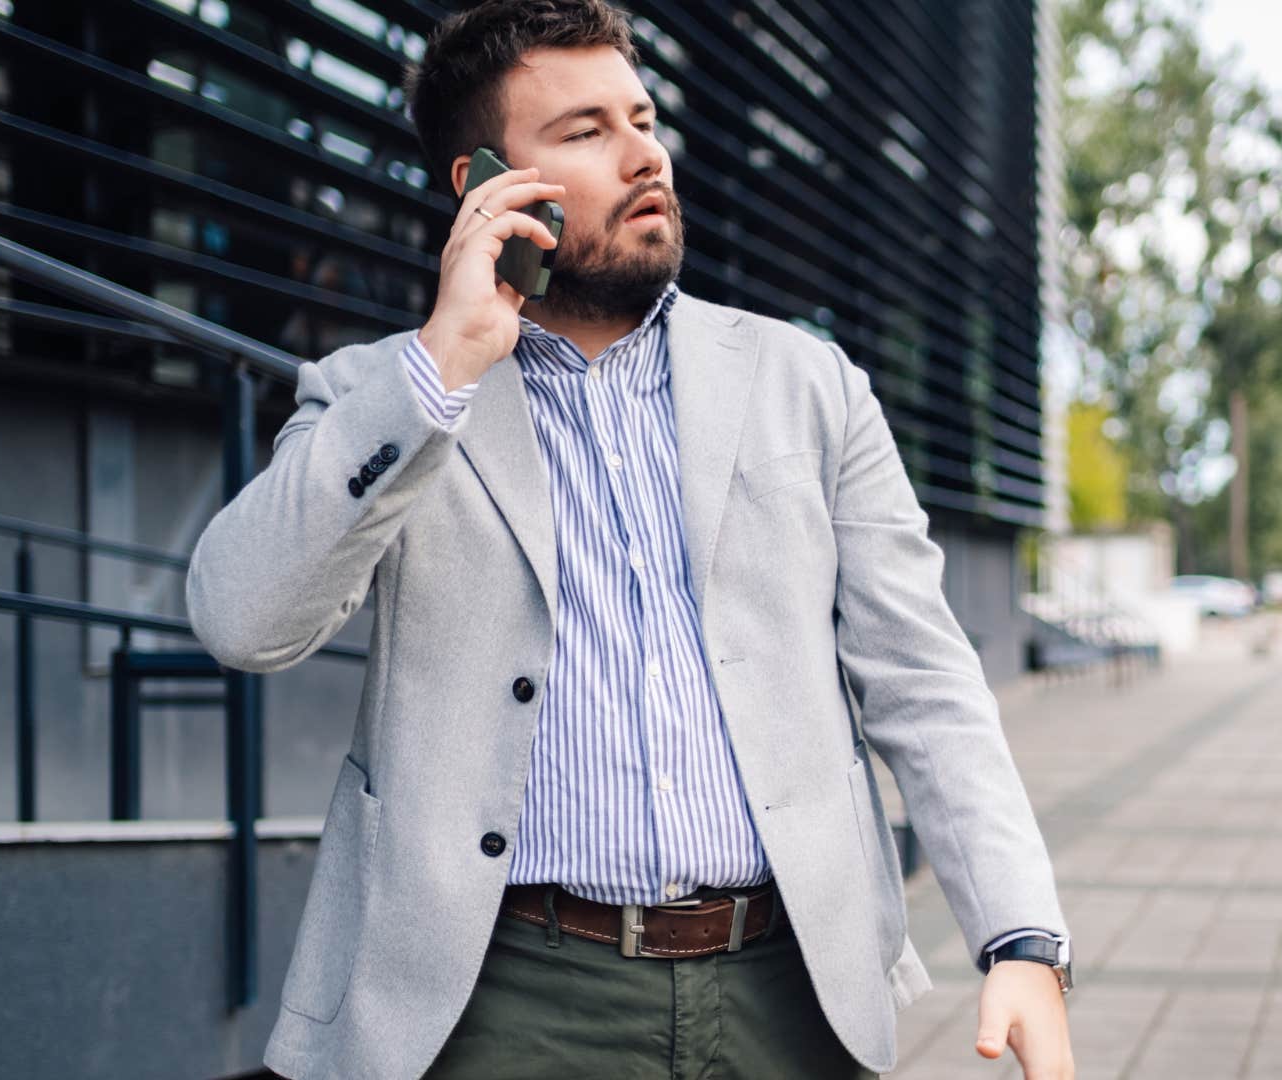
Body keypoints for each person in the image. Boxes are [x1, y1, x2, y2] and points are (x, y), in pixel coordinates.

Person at [184, 2, 1073, 1077]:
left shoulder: (808, 383)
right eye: (586, 131)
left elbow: (923, 677)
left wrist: (1021, 936)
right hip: (506, 1000)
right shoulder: (384, 396)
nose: (645, 154)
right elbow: (241, 619)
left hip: (791, 993)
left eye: (642, 119)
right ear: (484, 185)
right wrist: (442, 368)